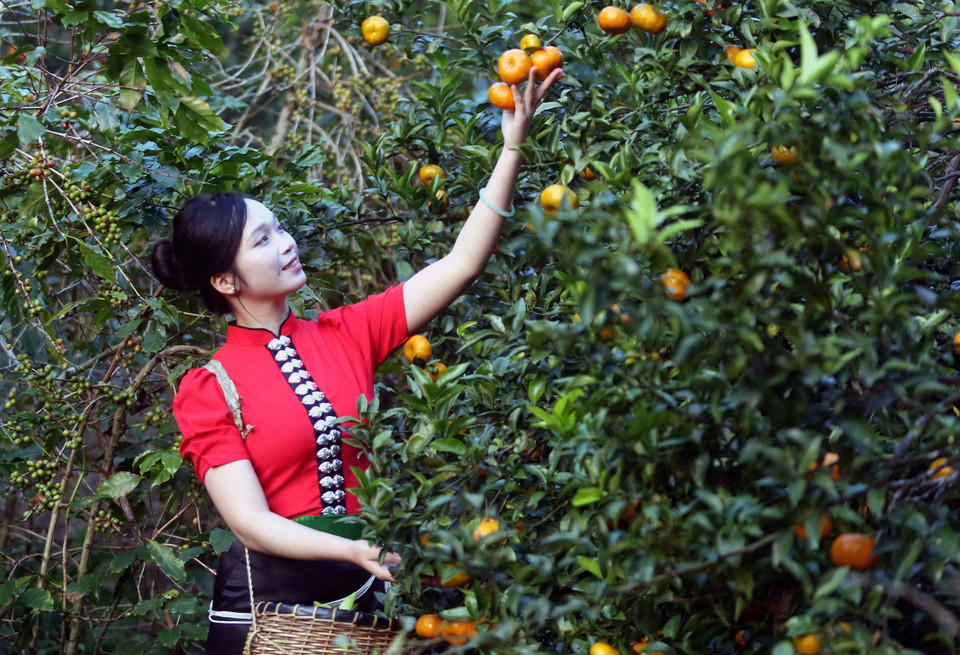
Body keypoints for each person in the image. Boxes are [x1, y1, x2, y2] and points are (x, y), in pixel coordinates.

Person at [151, 65, 564, 654]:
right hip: (269, 612)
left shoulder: (347, 332)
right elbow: (248, 523)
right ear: (224, 279)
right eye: (262, 241)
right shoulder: (209, 388)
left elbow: (460, 265)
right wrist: (347, 547)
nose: (287, 242)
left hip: (367, 598)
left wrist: (512, 149)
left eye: (280, 228)